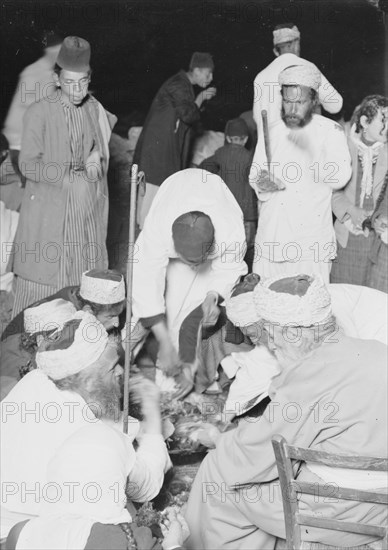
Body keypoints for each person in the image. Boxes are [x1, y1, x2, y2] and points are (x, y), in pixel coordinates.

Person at [184, 274, 388, 549]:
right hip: (381, 509)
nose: (269, 343)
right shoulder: (378, 351)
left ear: (294, 332)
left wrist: (220, 439)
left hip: (333, 515)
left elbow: (253, 457)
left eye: (271, 333)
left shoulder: (308, 375)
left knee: (218, 470)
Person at [0, 310, 172, 548]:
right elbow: (146, 486)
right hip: (38, 535)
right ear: (89, 381)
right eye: (113, 368)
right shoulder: (94, 433)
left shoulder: (35, 379)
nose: (121, 372)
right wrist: (153, 421)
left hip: (15, 530)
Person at [9, 36, 117, 316]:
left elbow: (98, 151)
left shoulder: (94, 109)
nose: (77, 89)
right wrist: (65, 177)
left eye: (83, 82)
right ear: (57, 79)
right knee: (41, 292)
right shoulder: (39, 111)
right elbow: (28, 163)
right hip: (49, 211)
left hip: (83, 215)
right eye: (69, 82)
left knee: (81, 283)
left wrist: (95, 164)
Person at [131, 167, 247, 396]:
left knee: (194, 318)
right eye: (189, 260)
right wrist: (164, 341)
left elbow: (229, 268)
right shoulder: (159, 226)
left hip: (212, 218)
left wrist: (212, 296)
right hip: (177, 190)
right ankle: (162, 383)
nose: (193, 266)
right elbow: (145, 280)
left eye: (198, 260)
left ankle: (189, 375)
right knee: (165, 313)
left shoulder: (230, 229)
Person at [249, 64, 352, 282]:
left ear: (314, 101)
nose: (292, 109)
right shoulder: (273, 131)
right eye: (287, 101)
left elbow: (341, 176)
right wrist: (263, 183)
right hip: (272, 236)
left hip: (309, 243)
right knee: (265, 302)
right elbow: (255, 174)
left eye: (300, 102)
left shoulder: (330, 131)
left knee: (309, 306)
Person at [0, 268, 126, 399]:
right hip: (13, 371)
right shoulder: (63, 322)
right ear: (88, 310)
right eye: (110, 316)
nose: (116, 323)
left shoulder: (82, 296)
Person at [134, 52, 217, 227]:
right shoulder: (179, 85)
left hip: (163, 150)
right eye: (207, 73)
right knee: (153, 200)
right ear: (195, 70)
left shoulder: (183, 84)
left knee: (158, 198)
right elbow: (188, 115)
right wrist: (201, 98)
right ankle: (144, 243)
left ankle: (147, 240)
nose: (210, 78)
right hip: (159, 153)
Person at [331, 95, 388, 287]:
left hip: (376, 242)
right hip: (346, 238)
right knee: (344, 300)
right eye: (383, 120)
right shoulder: (343, 146)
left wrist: (381, 217)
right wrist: (350, 211)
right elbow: (331, 191)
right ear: (365, 121)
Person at [252, 22, 342, 136]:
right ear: (295, 43)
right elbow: (335, 105)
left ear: (276, 49)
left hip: (271, 148)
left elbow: (257, 117)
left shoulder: (261, 76)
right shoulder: (307, 67)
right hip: (300, 147)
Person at [2, 31, 63, 180]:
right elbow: (25, 104)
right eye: (58, 52)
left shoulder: (50, 74)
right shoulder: (33, 72)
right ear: (50, 52)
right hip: (18, 139)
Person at [199, 117, 257, 270]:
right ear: (245, 139)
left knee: (227, 247)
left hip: (226, 210)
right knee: (247, 248)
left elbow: (203, 167)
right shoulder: (250, 157)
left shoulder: (220, 154)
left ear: (227, 137)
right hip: (247, 214)